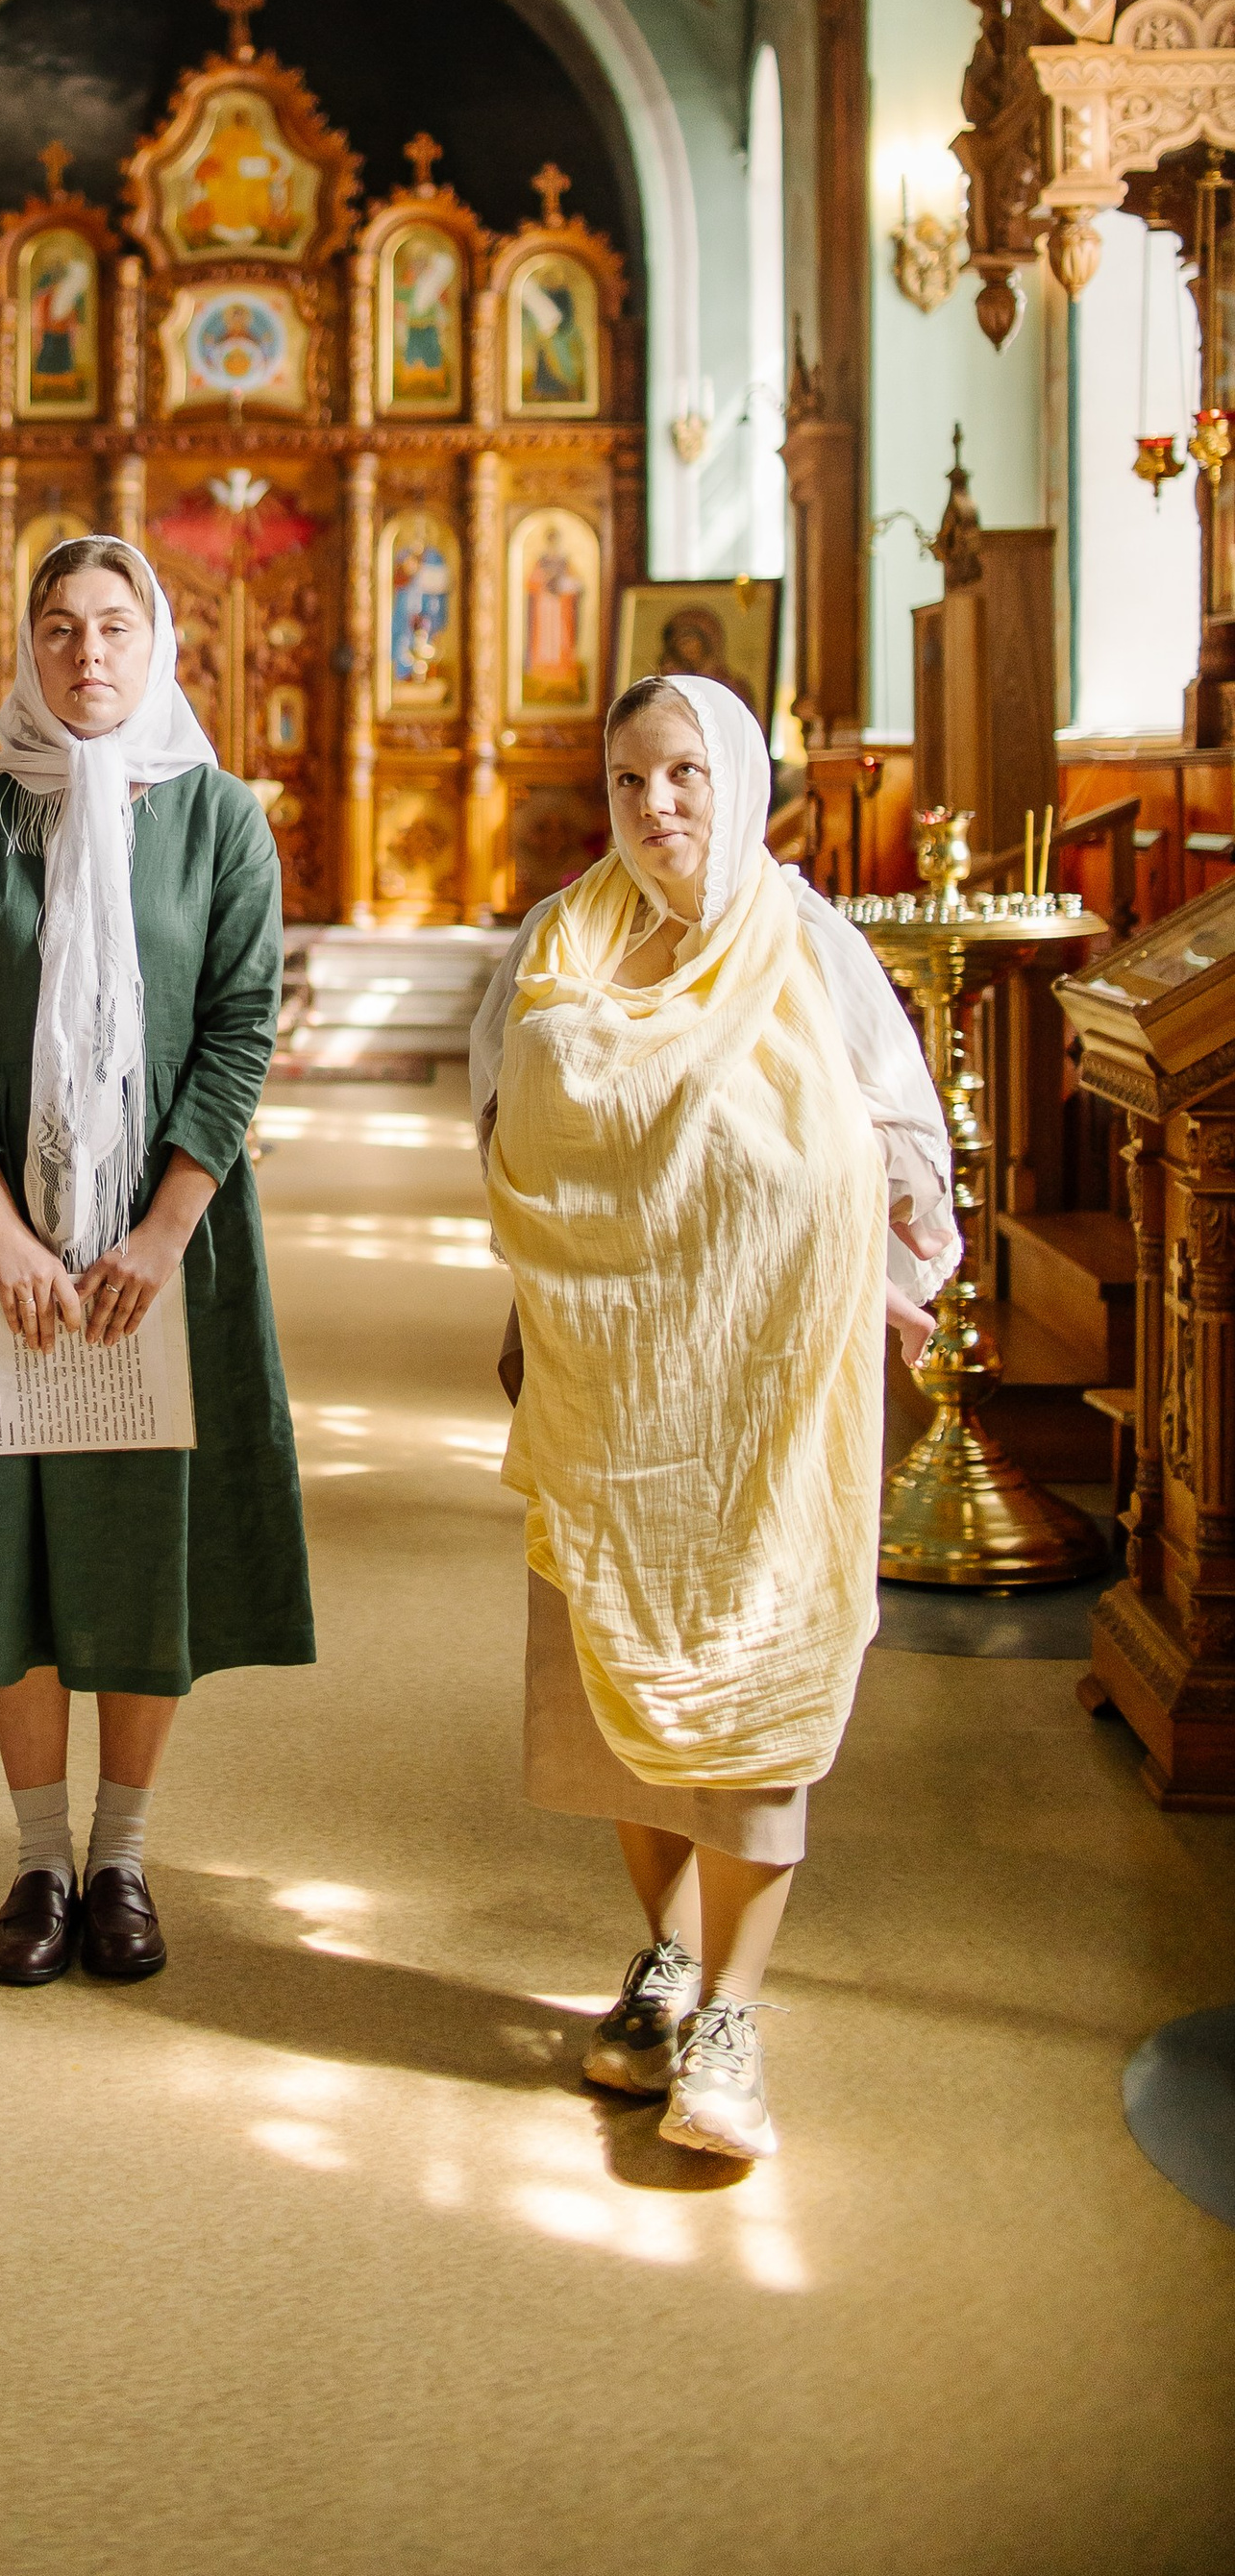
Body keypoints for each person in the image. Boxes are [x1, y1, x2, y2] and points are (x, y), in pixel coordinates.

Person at [470, 673, 954, 2161]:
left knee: (749, 1687)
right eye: (628, 783)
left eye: (683, 775)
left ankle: (735, 2013)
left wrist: (889, 1262)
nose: (657, 807)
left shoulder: (808, 943)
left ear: (736, 780)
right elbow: (503, 1124)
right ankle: (666, 1955)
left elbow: (901, 1135)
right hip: (616, 1384)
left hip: (768, 1396)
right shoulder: (562, 940)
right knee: (617, 1691)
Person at [0, 537, 312, 1987]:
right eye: (57, 629)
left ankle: (121, 1856)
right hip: (3, 1244)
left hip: (163, 1248)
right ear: (25, 650)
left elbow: (242, 1025)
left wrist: (162, 1226)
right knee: (13, 1541)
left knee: (140, 1540)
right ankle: (35, 1862)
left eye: (115, 627)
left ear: (158, 641)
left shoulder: (219, 821)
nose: (87, 656)